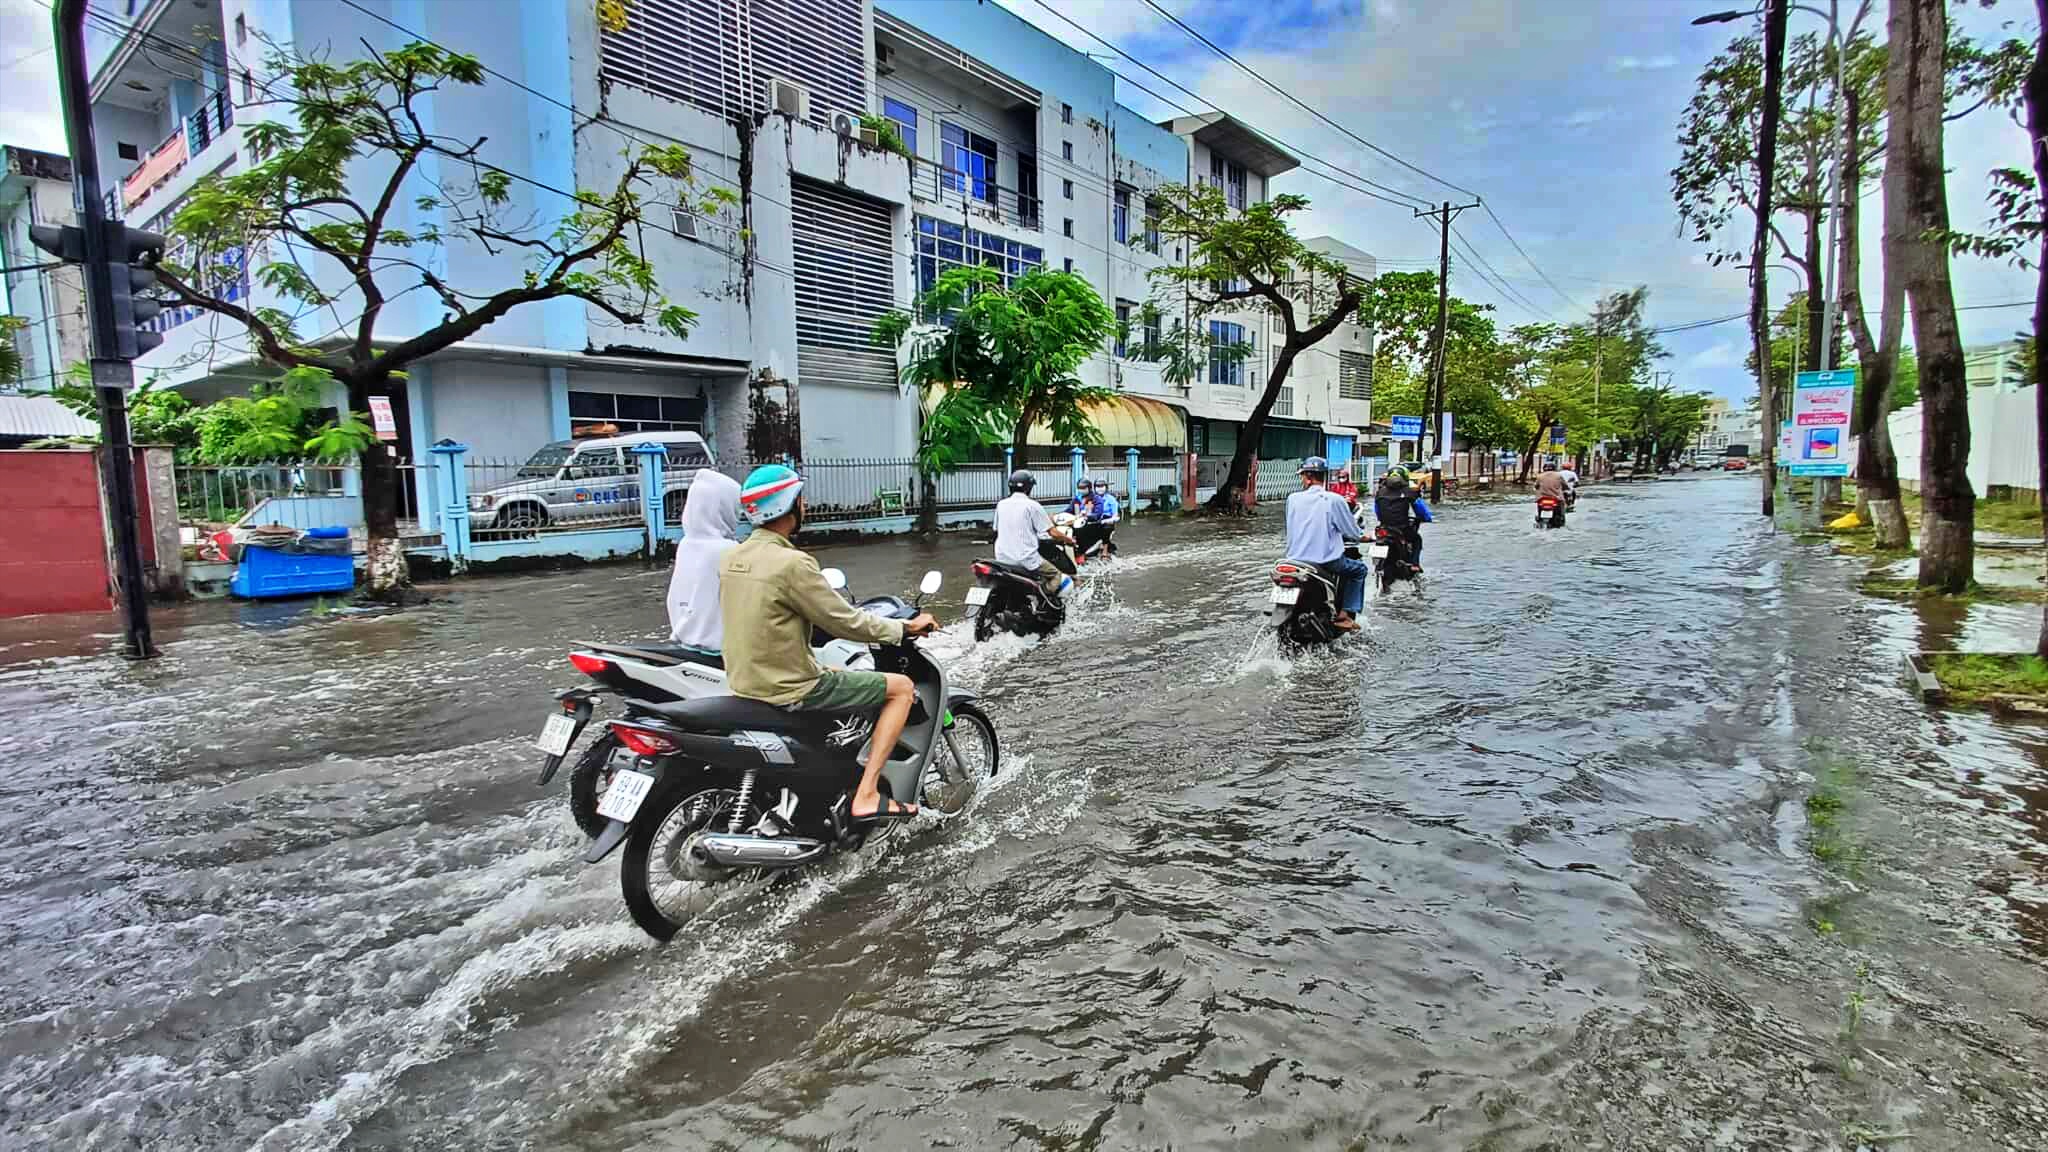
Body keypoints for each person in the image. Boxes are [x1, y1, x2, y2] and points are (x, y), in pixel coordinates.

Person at [720, 463, 938, 823]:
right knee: (900, 687)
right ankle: (867, 794)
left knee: (834, 669)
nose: (804, 505)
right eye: (800, 499)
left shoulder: (731, 558)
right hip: (789, 688)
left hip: (745, 682)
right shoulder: (793, 563)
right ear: (789, 505)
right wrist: (905, 628)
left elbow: (768, 620)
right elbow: (846, 621)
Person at [1284, 456, 1367, 631]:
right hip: (1325, 561)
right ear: (1324, 476)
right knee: (1359, 570)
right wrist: (1364, 536)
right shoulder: (1334, 499)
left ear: (1308, 477)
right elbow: (1351, 532)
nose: (1302, 479)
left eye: (1302, 476)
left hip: (1294, 560)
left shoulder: (1292, 499)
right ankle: (1345, 615)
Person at [664, 469, 742, 651]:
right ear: (723, 508)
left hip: (684, 641)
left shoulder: (686, 544)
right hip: (718, 649)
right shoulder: (727, 550)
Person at [995, 469, 1075, 601]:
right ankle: (1041, 599)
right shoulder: (1032, 506)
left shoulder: (1001, 504)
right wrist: (1069, 540)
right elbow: (1053, 532)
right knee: (1056, 575)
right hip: (1025, 558)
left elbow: (997, 529)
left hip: (1002, 558)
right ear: (1029, 488)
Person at [1374, 466, 1430, 571]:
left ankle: (1378, 567)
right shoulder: (1409, 492)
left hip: (1384, 528)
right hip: (1402, 528)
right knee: (1417, 540)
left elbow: (1377, 511)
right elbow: (1421, 509)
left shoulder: (1380, 492)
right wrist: (1426, 518)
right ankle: (1414, 564)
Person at [1072, 477, 1120, 559]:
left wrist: (1109, 520)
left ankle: (1105, 551)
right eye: (1097, 486)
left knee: (1107, 528)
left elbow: (1115, 515)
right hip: (1092, 520)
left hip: (1105, 520)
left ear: (1106, 487)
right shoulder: (1090, 498)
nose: (1100, 489)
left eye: (1102, 486)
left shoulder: (1111, 499)